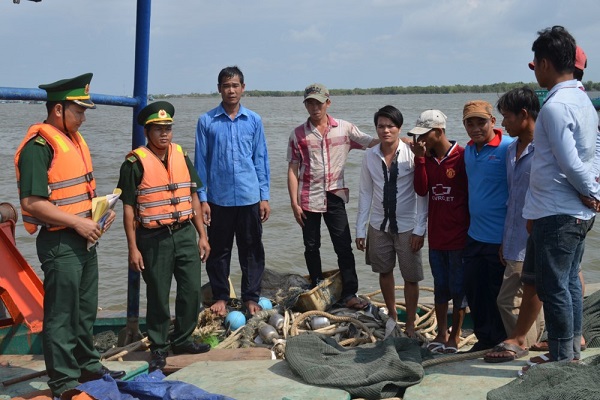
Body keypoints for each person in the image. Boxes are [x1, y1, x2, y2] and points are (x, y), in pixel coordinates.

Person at [14, 73, 125, 398]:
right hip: (60, 242)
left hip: (84, 238)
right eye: (80, 111)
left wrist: (101, 213)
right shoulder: (39, 146)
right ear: (59, 109)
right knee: (61, 314)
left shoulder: (75, 141)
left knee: (85, 309)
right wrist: (77, 224)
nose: (84, 117)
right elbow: (32, 203)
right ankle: (63, 383)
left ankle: (87, 366)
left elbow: (73, 195)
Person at [522, 25, 599, 364]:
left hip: (558, 212)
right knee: (569, 284)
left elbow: (569, 163)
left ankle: (561, 359)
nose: (535, 69)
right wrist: (593, 191)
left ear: (546, 63)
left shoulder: (555, 107)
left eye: (536, 62)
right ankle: (569, 354)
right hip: (574, 211)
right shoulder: (582, 99)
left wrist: (592, 191)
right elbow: (593, 152)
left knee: (554, 289)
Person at [118, 101, 211, 372]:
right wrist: (132, 248)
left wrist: (202, 235)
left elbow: (192, 196)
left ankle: (183, 339)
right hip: (153, 237)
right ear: (147, 131)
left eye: (168, 128)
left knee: (192, 289)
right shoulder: (134, 162)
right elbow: (128, 208)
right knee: (158, 294)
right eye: (158, 129)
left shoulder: (181, 155)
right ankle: (159, 347)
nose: (164, 134)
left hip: (183, 232)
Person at [287, 83, 377, 311]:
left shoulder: (344, 129)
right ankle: (317, 286)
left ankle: (350, 292)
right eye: (310, 102)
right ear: (305, 104)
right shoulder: (298, 134)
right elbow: (293, 170)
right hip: (308, 198)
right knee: (311, 246)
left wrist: (398, 140)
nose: (314, 107)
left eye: (319, 102)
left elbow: (370, 142)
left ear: (328, 102)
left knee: (343, 246)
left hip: (335, 196)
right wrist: (294, 203)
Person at [195, 66, 270, 316]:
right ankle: (220, 297)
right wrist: (202, 199)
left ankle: (251, 298)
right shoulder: (207, 121)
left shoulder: (254, 120)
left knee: (251, 249)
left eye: (235, 85)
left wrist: (264, 196)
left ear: (243, 88)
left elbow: (260, 159)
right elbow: (201, 163)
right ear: (219, 89)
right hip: (219, 198)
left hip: (249, 196)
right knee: (219, 251)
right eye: (226, 86)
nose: (231, 90)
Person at [483, 87, 544, 363]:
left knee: (507, 301)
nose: (503, 123)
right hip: (514, 238)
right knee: (529, 297)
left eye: (507, 117)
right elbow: (512, 199)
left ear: (524, 115)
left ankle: (521, 348)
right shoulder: (510, 151)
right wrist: (505, 241)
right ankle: (533, 344)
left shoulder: (546, 148)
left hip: (535, 238)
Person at [354, 105, 427, 336]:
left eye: (390, 126)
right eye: (381, 126)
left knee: (411, 277)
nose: (385, 131)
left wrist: (420, 229)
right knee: (384, 271)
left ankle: (412, 323)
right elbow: (365, 192)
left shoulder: (412, 153)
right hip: (378, 225)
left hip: (407, 225)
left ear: (399, 128)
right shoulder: (370, 155)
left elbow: (422, 194)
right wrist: (360, 229)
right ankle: (393, 316)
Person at [409, 109, 469, 352]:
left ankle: (456, 335)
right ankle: (441, 333)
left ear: (440, 131)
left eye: (425, 135)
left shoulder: (463, 157)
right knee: (440, 287)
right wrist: (420, 159)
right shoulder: (426, 158)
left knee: (459, 290)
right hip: (437, 237)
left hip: (460, 237)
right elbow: (421, 190)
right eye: (417, 136)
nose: (419, 140)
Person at [462, 100, 514, 351]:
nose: (475, 128)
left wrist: (509, 238)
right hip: (474, 235)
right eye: (469, 123)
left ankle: (502, 340)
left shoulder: (508, 148)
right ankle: (483, 338)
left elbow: (519, 192)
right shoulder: (469, 150)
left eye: (480, 122)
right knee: (473, 289)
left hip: (499, 238)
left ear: (493, 121)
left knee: (499, 294)